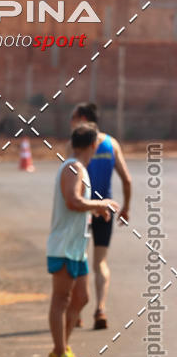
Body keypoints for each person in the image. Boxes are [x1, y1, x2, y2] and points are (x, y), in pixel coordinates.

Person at [47, 124, 119, 357]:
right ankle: (59, 353)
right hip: (64, 246)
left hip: (77, 247)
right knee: (61, 299)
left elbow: (77, 202)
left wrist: (96, 208)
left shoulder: (79, 168)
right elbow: (73, 201)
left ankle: (62, 349)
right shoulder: (73, 168)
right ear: (93, 145)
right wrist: (101, 203)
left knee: (82, 297)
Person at [70, 102, 132, 329]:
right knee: (101, 262)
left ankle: (76, 312)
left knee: (79, 259)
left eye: (74, 117)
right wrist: (126, 208)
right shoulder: (111, 143)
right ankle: (100, 309)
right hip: (106, 209)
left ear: (83, 118)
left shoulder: (77, 145)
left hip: (84, 210)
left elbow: (70, 181)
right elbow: (127, 179)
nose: (71, 122)